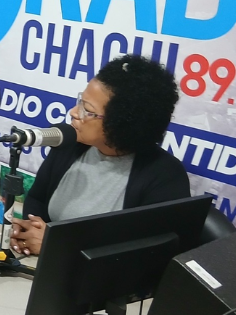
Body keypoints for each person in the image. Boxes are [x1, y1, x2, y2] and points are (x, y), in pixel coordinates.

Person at [10, 54, 190, 258]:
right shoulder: (69, 144)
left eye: (87, 110)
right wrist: (28, 233)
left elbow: (145, 257)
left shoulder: (165, 178)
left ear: (122, 123)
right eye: (80, 102)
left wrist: (56, 246)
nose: (73, 112)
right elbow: (37, 198)